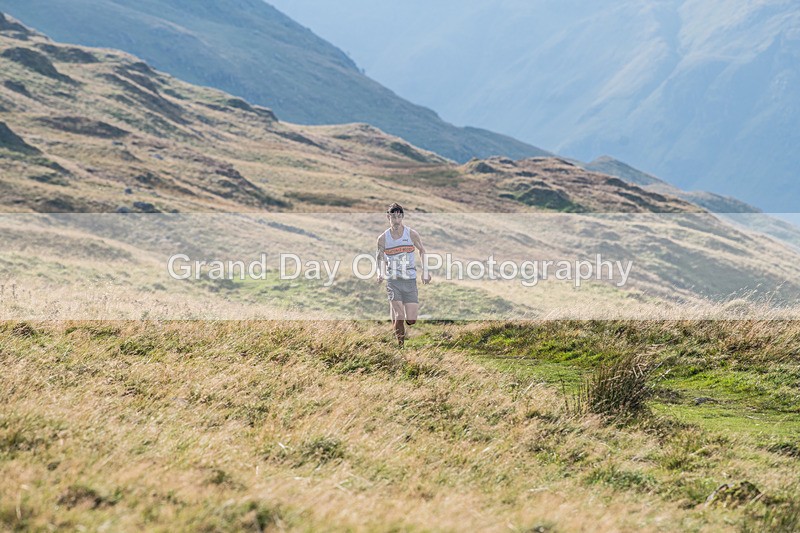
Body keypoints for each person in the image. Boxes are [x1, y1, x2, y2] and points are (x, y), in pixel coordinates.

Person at [376, 203, 431, 347]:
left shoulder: (411, 234)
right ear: (388, 217)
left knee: (411, 320)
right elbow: (379, 257)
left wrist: (425, 271)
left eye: (399, 215)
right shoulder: (383, 238)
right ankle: (400, 347)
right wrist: (380, 273)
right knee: (400, 316)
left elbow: (422, 251)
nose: (396, 218)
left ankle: (396, 318)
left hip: (410, 281)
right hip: (393, 281)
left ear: (402, 217)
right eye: (393, 216)